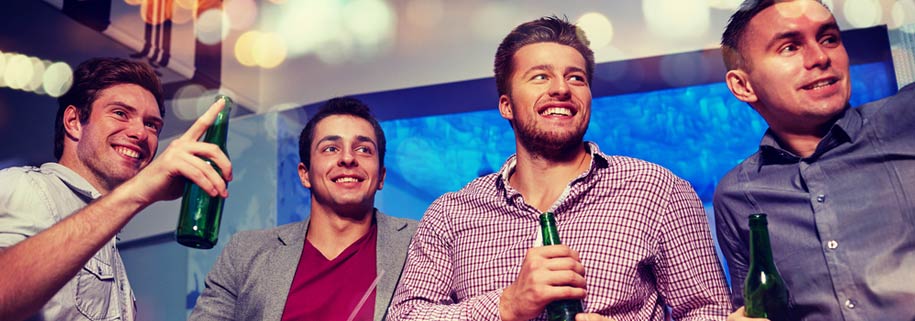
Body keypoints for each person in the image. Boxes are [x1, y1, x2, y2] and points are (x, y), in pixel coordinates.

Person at [388, 16, 731, 321]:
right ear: (506, 106)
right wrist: (507, 306)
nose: (561, 89)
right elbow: (406, 315)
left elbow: (710, 310)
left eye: (576, 78)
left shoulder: (658, 190)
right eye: (540, 76)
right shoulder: (451, 214)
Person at [714, 0, 915, 320]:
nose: (821, 58)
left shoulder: (907, 121)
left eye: (829, 39)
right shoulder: (736, 194)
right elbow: (756, 310)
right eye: (790, 47)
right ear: (743, 85)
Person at [0, 57, 231, 321]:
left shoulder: (106, 237)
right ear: (74, 121)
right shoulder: (27, 186)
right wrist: (138, 191)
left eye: (151, 124)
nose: (140, 133)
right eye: (120, 113)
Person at [188, 97, 418, 321]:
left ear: (381, 177)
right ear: (304, 174)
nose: (348, 158)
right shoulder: (245, 253)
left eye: (364, 149)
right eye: (330, 148)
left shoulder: (420, 243)